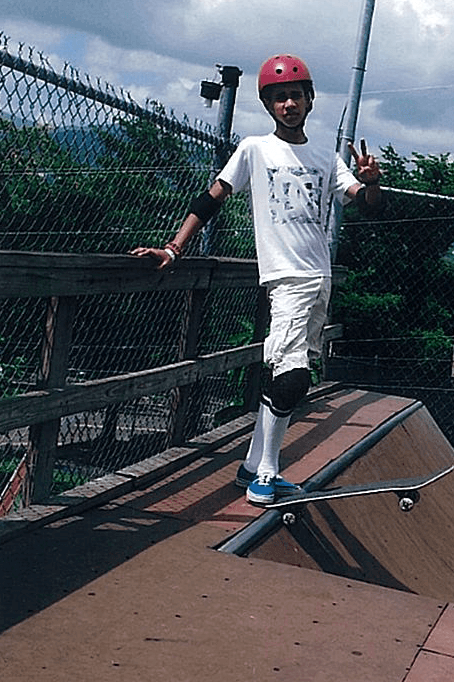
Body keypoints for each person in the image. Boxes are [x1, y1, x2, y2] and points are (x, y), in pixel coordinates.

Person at [130, 54, 382, 505]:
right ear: (268, 105)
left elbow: (365, 202)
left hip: (319, 279)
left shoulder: (326, 156)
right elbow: (210, 199)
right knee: (292, 378)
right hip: (285, 279)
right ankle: (266, 472)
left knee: (295, 372)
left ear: (310, 99)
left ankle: (251, 466)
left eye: (295, 95)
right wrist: (174, 248)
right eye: (279, 97)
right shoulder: (254, 149)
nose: (289, 104)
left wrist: (372, 184)